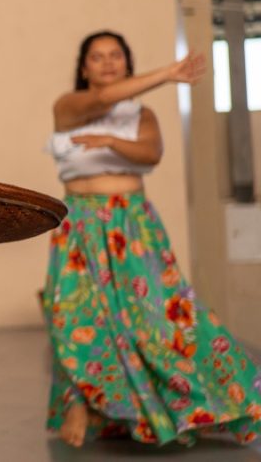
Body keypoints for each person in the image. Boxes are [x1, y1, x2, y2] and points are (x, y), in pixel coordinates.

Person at [43, 30, 261, 448]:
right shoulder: (68, 106)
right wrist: (169, 73)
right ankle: (79, 400)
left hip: (131, 226)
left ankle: (177, 406)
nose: (107, 63)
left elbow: (150, 154)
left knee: (155, 319)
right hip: (82, 224)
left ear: (127, 63)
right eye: (97, 57)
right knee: (76, 315)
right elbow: (102, 101)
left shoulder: (142, 116)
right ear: (84, 68)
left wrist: (110, 140)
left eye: (116, 55)